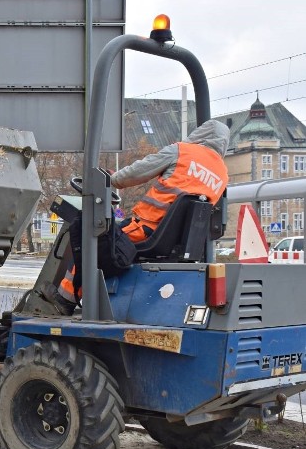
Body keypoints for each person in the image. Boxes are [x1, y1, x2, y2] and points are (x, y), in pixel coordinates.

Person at [44, 119, 231, 315]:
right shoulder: (222, 175)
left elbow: (134, 173)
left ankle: (65, 300)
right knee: (103, 236)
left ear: (201, 134)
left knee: (88, 241)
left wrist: (111, 179)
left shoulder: (182, 151)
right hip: (173, 240)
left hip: (146, 229)